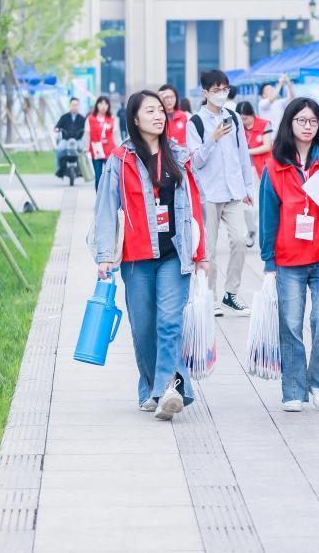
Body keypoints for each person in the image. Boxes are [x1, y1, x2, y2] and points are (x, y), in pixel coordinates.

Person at [93, 90, 207, 421]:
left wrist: (201, 253)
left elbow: (195, 207)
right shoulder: (120, 160)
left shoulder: (180, 156)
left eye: (161, 110)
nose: (159, 116)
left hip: (174, 253)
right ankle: (150, 388)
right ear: (134, 118)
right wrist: (104, 255)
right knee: (143, 328)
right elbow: (105, 208)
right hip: (136, 257)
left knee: (169, 321)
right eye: (150, 111)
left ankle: (167, 389)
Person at [259, 97, 319, 412]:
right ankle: (293, 390)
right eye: (301, 120)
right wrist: (268, 259)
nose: (307, 126)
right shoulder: (275, 165)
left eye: (313, 121)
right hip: (288, 259)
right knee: (290, 325)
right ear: (290, 123)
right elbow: (268, 214)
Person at [187, 69, 256, 317]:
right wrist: (212, 139)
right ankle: (211, 297)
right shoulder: (195, 122)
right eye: (216, 90)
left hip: (234, 191)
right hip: (208, 193)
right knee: (209, 249)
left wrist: (248, 187)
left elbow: (242, 154)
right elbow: (195, 161)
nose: (221, 94)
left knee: (240, 239)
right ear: (205, 92)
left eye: (225, 89)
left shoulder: (234, 117)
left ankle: (231, 293)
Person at [237, 100, 274, 247]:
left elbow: (267, 146)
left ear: (251, 114)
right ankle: (251, 230)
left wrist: (246, 152)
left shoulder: (264, 124)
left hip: (261, 170)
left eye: (245, 118)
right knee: (246, 206)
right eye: (241, 119)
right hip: (243, 171)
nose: (244, 122)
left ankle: (259, 233)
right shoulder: (238, 127)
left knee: (259, 204)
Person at [85, 96, 119, 190]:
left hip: (109, 150)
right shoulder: (90, 119)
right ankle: (99, 197)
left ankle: (110, 197)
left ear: (108, 106)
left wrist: (120, 149)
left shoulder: (112, 119)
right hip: (96, 151)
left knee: (111, 176)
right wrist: (86, 149)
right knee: (98, 177)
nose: (103, 106)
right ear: (97, 105)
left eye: (106, 104)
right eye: (101, 103)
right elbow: (87, 135)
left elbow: (116, 135)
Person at [53, 97, 86, 178]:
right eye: (73, 105)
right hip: (66, 140)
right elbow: (57, 127)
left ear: (79, 106)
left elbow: (87, 128)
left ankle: (82, 170)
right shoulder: (64, 117)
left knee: (83, 150)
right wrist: (57, 129)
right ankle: (59, 169)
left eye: (76, 105)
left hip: (78, 140)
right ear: (70, 106)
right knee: (59, 149)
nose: (74, 107)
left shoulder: (82, 118)